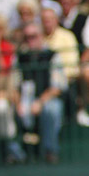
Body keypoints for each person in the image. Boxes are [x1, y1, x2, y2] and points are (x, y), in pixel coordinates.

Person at [15, 22, 66, 163]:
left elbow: (57, 87)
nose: (30, 41)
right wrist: (18, 103)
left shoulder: (52, 55)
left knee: (52, 109)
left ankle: (50, 150)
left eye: (33, 36)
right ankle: (16, 153)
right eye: (26, 37)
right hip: (25, 100)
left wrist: (40, 102)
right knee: (7, 108)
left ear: (41, 36)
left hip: (46, 100)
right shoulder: (20, 57)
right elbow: (13, 86)